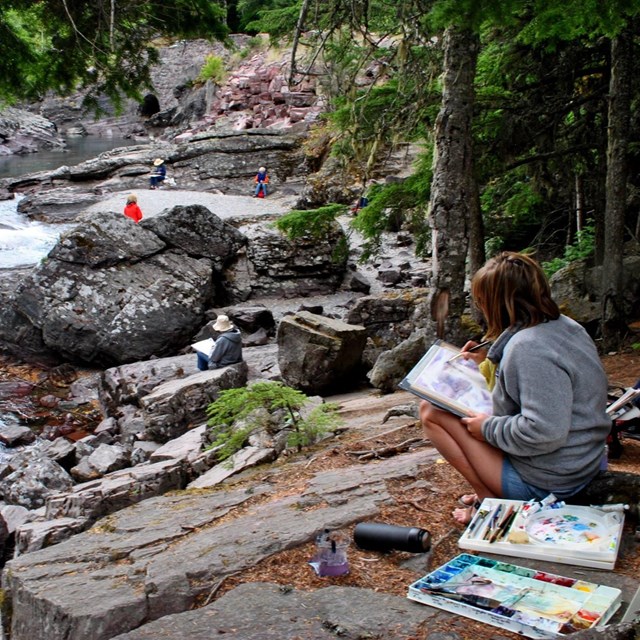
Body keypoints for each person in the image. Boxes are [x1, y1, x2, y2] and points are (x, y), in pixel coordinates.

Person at [420, 251, 610, 524]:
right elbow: (538, 389)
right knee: (437, 407)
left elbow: (545, 432)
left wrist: (487, 429)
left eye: (482, 301)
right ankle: (492, 494)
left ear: (498, 304)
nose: (480, 308)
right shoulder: (565, 326)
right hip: (579, 460)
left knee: (431, 413)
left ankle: (489, 502)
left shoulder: (529, 348)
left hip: (551, 480)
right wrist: (486, 362)